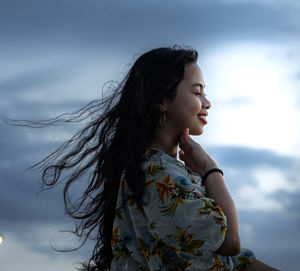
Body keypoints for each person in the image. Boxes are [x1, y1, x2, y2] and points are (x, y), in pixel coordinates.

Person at [14, 46, 279, 270]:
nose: (207, 102)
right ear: (162, 100)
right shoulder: (159, 177)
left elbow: (231, 259)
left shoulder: (161, 172)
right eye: (197, 92)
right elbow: (231, 243)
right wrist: (211, 169)